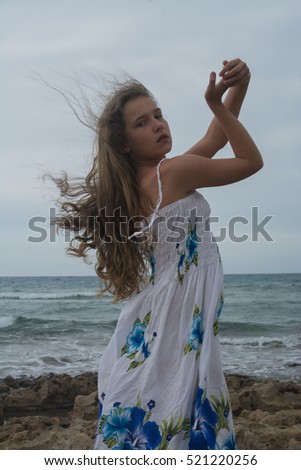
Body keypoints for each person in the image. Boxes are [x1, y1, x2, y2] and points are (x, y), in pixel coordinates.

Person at [54, 58, 263, 450]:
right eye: (143, 123)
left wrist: (238, 89)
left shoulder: (148, 179)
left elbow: (215, 141)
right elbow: (251, 161)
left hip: (164, 310)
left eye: (159, 115)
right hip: (176, 315)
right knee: (175, 405)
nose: (158, 125)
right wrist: (218, 105)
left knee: (164, 403)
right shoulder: (172, 174)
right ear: (124, 143)